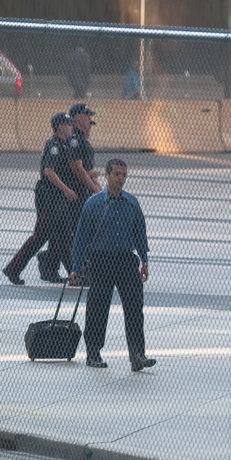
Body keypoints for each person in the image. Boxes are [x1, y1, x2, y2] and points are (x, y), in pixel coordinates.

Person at [70, 159, 156, 371]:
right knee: (98, 306)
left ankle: (137, 354)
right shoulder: (93, 203)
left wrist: (144, 260)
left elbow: (140, 233)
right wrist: (76, 266)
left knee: (135, 307)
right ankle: (94, 352)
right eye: (116, 174)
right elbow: (82, 236)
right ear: (106, 175)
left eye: (124, 175)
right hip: (101, 259)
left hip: (126, 260)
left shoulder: (132, 203)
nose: (121, 178)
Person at [2, 113, 79, 286]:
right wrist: (66, 190)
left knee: (64, 235)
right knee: (41, 234)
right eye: (68, 124)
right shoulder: (54, 146)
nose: (71, 127)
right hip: (49, 196)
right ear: (59, 127)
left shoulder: (64, 145)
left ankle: (62, 272)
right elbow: (49, 172)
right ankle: (13, 268)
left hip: (58, 196)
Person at [37, 103, 102, 282]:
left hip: (78, 190)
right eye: (87, 116)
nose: (89, 120)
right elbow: (76, 170)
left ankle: (50, 263)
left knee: (66, 232)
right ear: (77, 117)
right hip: (74, 193)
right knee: (70, 232)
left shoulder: (78, 139)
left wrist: (92, 179)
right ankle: (76, 269)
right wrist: (94, 187)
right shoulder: (74, 140)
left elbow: (81, 169)